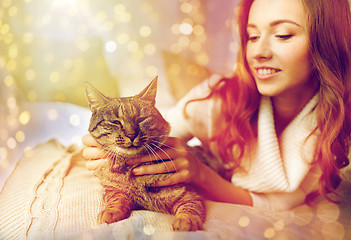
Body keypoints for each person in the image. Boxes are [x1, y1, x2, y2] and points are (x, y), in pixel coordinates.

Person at [82, 0, 351, 211]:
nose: (258, 52)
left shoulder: (332, 122)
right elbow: (159, 127)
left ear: (326, 43)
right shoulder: (216, 101)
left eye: (282, 35)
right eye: (252, 36)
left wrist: (201, 174)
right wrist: (98, 147)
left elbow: (277, 204)